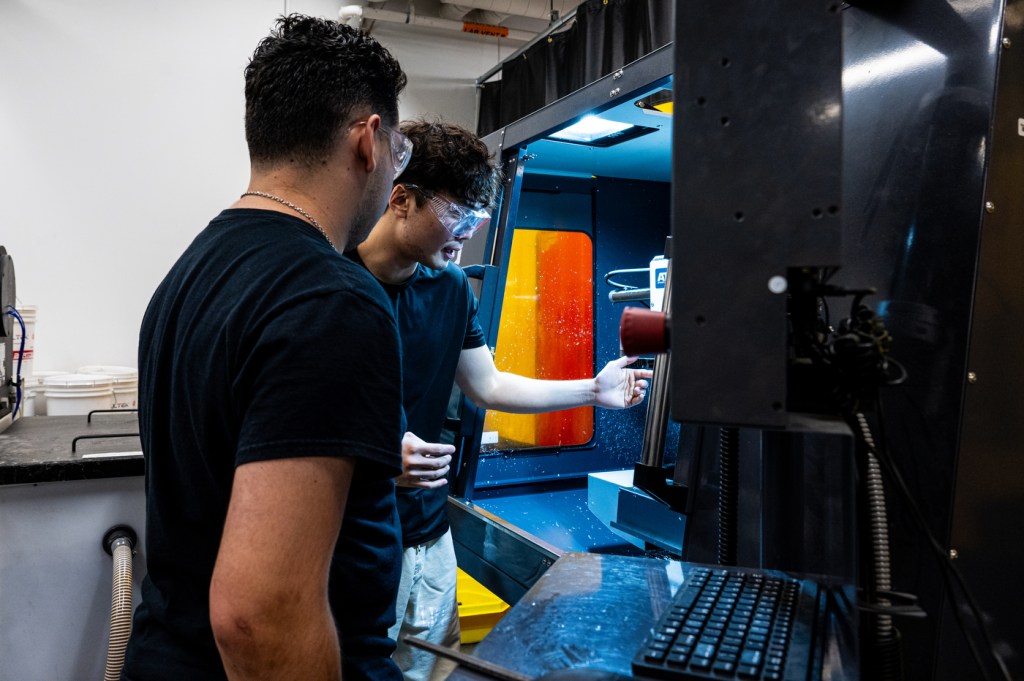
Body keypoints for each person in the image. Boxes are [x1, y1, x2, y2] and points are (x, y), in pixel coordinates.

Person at [121, 15, 409, 681]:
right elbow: (259, 616)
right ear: (368, 141)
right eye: (399, 150)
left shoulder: (188, 273)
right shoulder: (334, 299)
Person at [350, 118, 654, 681]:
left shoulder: (448, 289)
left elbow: (487, 385)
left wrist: (593, 389)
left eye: (476, 219)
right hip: (358, 538)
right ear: (401, 200)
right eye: (457, 216)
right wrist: (374, 457)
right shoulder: (336, 283)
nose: (467, 232)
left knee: (430, 670)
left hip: (430, 537)